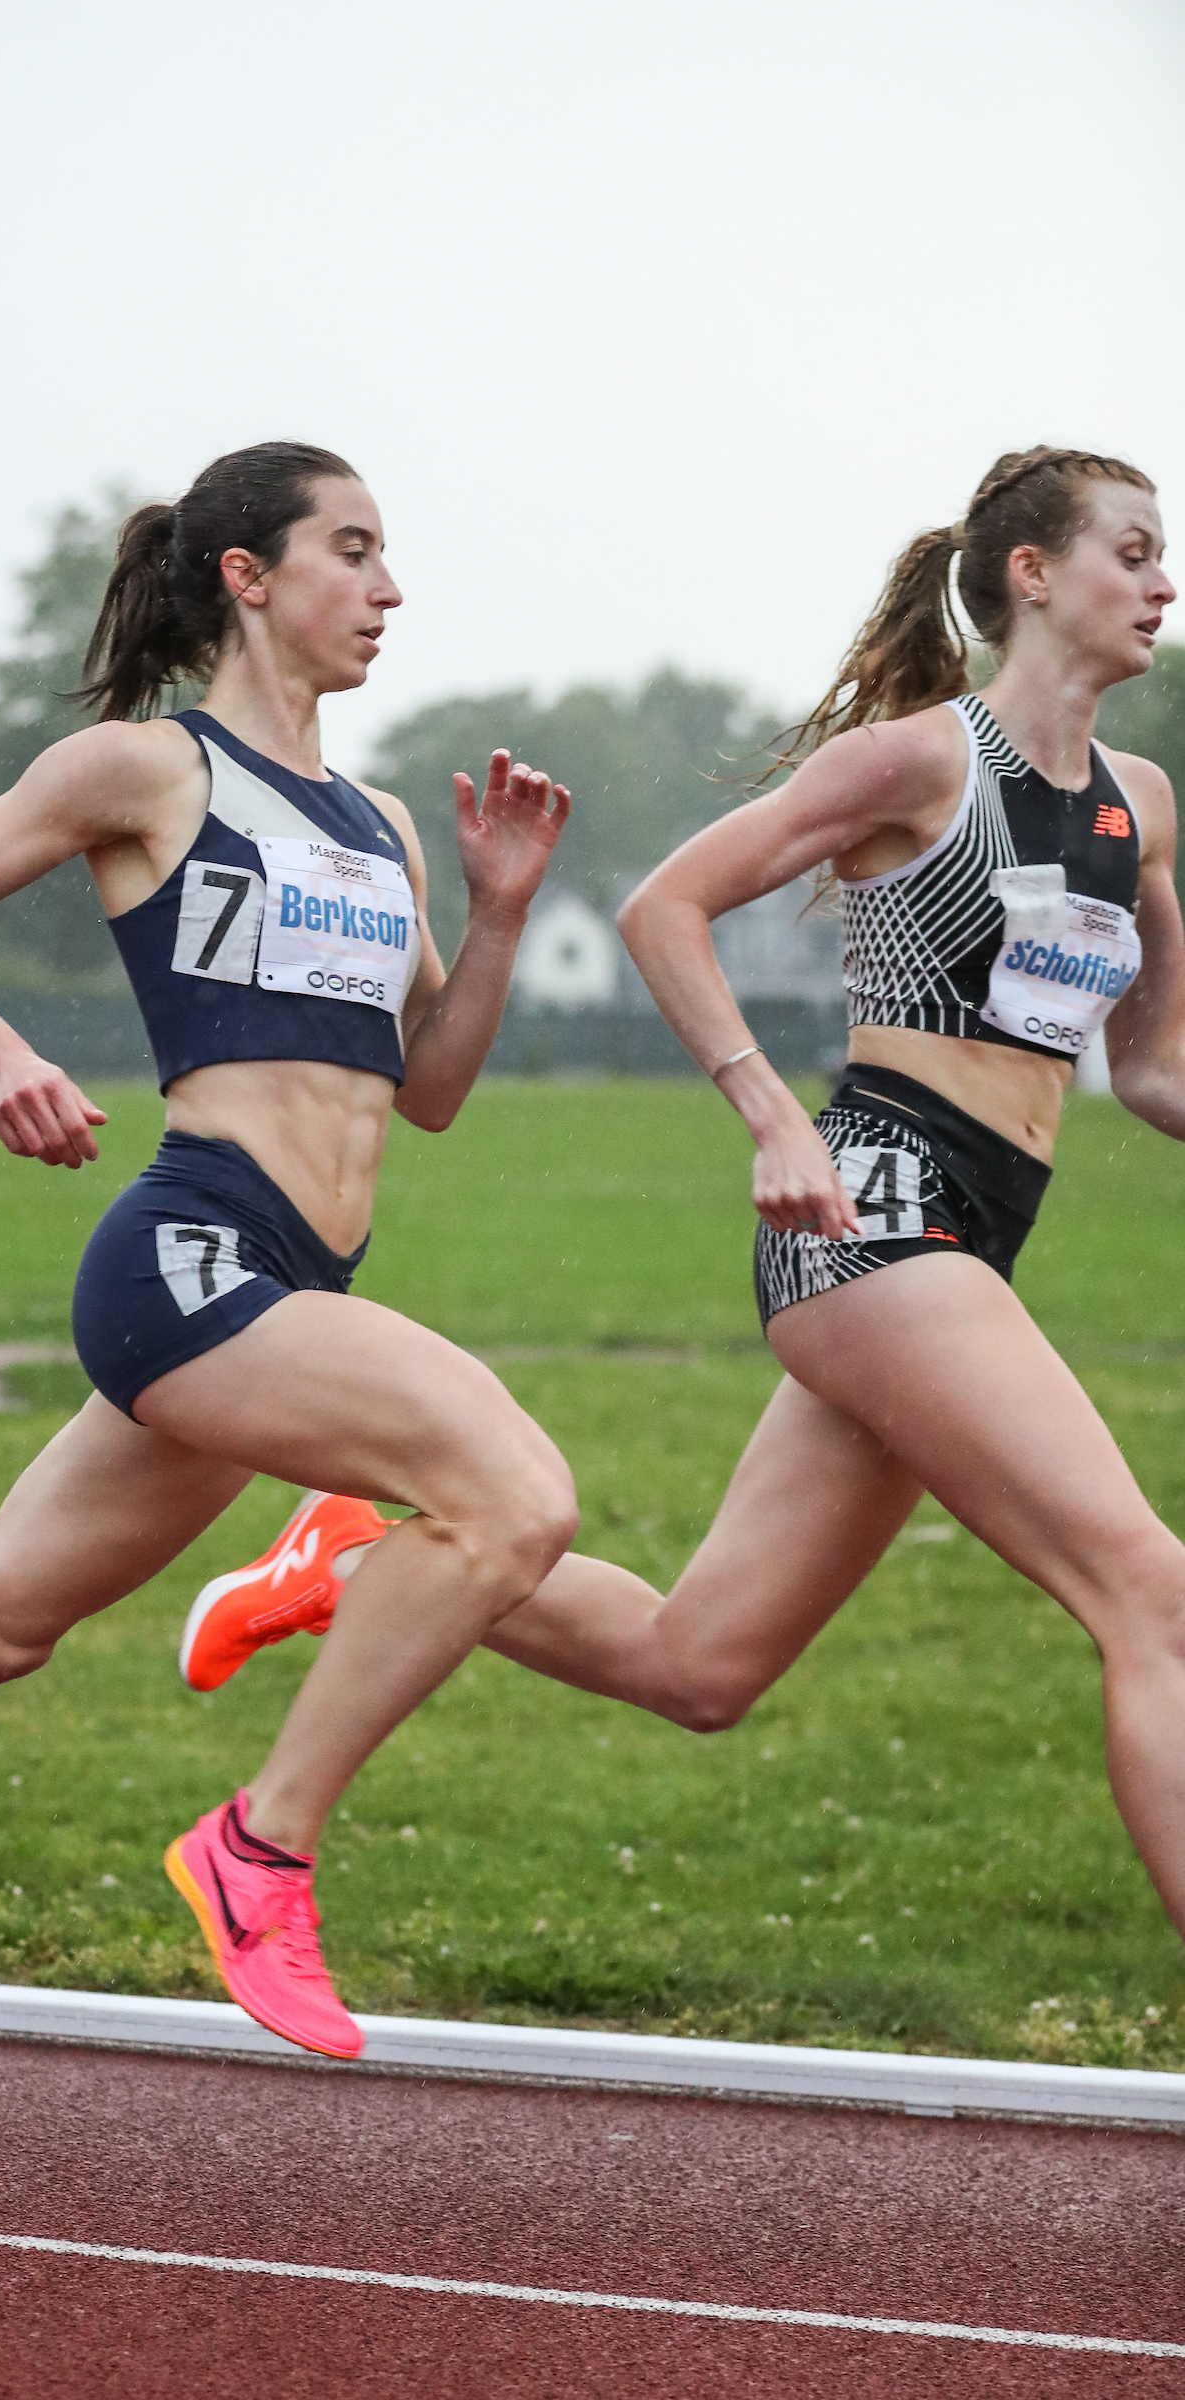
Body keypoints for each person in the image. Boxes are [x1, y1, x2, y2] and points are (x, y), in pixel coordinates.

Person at [0, 441, 575, 2104]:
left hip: (288, 1283)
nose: (390, 589)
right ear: (247, 577)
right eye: (352, 551)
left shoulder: (384, 826)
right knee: (513, 1499)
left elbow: (427, 1090)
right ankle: (257, 1850)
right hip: (194, 1260)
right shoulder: (150, 768)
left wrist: (495, 916)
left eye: (390, 556)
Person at [190, 447, 1185, 1958]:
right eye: (1132, 550)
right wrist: (769, 1109)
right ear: (1033, 577)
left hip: (971, 1244)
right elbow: (665, 907)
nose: (1161, 582)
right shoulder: (922, 763)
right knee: (1152, 1598)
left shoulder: (1142, 808)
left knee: (697, 1667)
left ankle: (354, 1557)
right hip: (875, 1212)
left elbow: (1156, 1066)